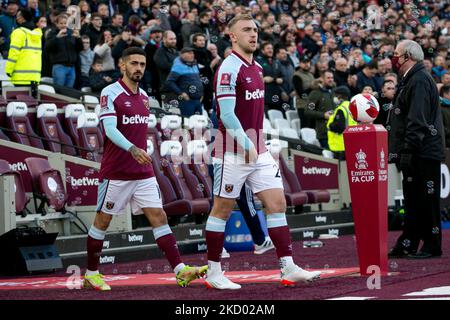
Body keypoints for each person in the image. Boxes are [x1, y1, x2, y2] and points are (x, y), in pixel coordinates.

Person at [205, 14, 321, 290]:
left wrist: (257, 145)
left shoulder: (256, 67)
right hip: (231, 149)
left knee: (277, 204)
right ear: (232, 36)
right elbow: (227, 115)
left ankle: (288, 267)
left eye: (255, 30)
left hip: (258, 147)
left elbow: (252, 114)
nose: (253, 34)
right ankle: (214, 272)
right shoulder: (228, 68)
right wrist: (246, 145)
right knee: (222, 209)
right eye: (246, 30)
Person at [83, 47, 207, 291]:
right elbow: (109, 129)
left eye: (142, 64)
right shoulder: (110, 92)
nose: (139, 68)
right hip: (116, 171)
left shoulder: (143, 97)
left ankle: (180, 271)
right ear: (122, 65)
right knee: (102, 221)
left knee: (159, 217)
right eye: (134, 63)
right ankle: (91, 273)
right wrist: (132, 149)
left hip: (143, 172)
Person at [388, 40, 445, 259]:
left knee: (427, 200)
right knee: (413, 199)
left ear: (407, 56)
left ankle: (432, 245)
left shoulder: (419, 80)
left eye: (396, 54)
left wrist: (408, 151)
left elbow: (417, 120)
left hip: (422, 151)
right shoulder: (411, 78)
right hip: (416, 150)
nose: (394, 58)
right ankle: (409, 242)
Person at [5, 8, 42, 86]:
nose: (16, 18)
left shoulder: (18, 32)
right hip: (35, 78)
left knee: (20, 98)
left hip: (20, 78)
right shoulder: (37, 34)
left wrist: (8, 70)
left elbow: (14, 53)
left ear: (22, 18)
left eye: (18, 16)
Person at [45, 14, 83, 88]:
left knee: (68, 92)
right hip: (59, 66)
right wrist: (57, 37)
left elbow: (80, 48)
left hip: (72, 67)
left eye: (65, 23)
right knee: (59, 90)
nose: (63, 25)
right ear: (56, 24)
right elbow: (47, 47)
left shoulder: (72, 33)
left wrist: (78, 38)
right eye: (61, 23)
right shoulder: (52, 33)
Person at [165, 46, 204, 117]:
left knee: (199, 125)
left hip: (198, 101)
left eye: (192, 53)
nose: (192, 55)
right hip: (187, 101)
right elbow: (169, 82)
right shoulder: (178, 66)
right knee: (188, 124)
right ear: (182, 55)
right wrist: (181, 93)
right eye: (189, 53)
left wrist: (201, 94)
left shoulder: (194, 65)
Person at [305, 70, 336, 148]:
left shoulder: (333, 91)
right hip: (323, 133)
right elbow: (307, 111)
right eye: (328, 78)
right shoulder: (315, 93)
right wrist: (323, 115)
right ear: (322, 79)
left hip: (334, 131)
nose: (331, 80)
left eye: (332, 78)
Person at [326, 85, 356, 159]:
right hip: (351, 144)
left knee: (340, 169)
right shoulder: (351, 106)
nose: (335, 97)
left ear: (340, 96)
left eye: (336, 95)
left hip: (340, 145)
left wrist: (330, 125)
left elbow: (339, 127)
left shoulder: (341, 109)